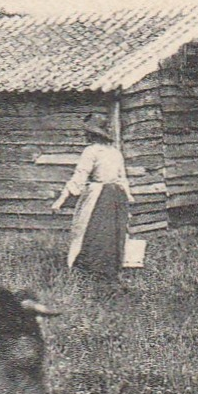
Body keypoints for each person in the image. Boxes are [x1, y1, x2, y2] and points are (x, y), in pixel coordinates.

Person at [51, 114, 133, 278]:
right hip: (118, 195)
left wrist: (60, 201)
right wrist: (128, 198)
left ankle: (89, 271)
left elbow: (79, 177)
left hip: (100, 195)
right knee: (111, 233)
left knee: (89, 229)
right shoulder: (116, 153)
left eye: (87, 132)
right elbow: (122, 179)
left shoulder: (91, 151)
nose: (85, 135)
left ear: (93, 134)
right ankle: (109, 271)